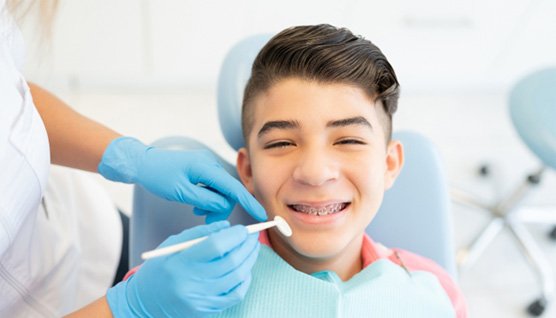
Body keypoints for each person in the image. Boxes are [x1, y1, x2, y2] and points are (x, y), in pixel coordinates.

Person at [1, 1, 266, 317]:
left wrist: (130, 157)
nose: (315, 173)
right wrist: (130, 306)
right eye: (284, 142)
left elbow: (13, 95)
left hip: (84, 237)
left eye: (343, 140)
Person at [229, 24, 467, 316]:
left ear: (388, 164)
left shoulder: (435, 293)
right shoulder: (202, 294)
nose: (315, 173)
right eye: (282, 143)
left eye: (349, 140)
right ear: (248, 170)